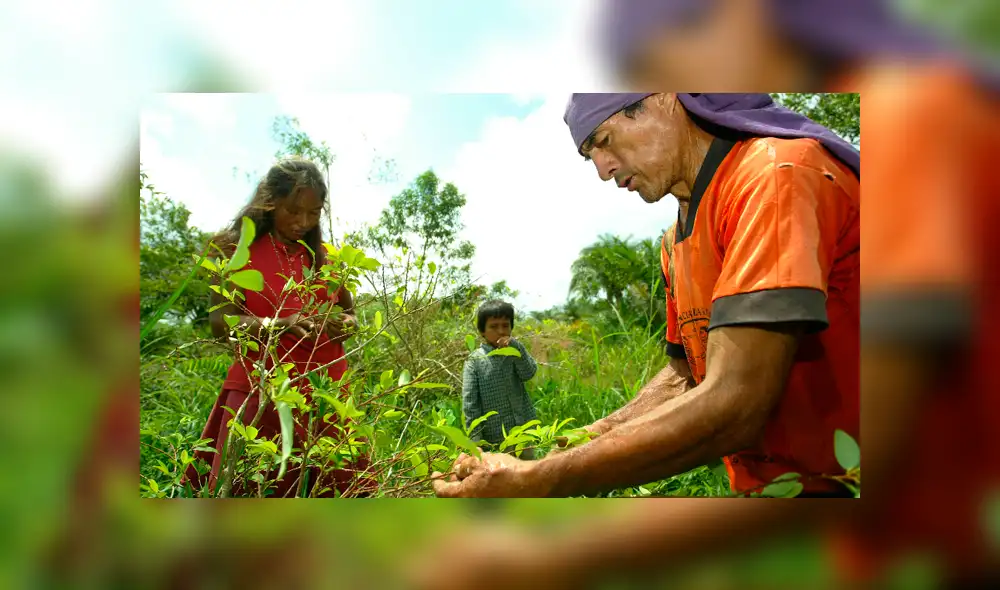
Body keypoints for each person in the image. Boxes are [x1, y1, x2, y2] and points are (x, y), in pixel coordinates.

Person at [433, 91, 859, 502]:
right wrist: (580, 442)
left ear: (663, 98)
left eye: (604, 141)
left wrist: (540, 479)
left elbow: (736, 402)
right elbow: (685, 375)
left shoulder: (775, 177)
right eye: (590, 156)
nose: (602, 171)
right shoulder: (674, 242)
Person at [183, 158, 373, 498]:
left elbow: (351, 315)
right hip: (262, 391)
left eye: (314, 213)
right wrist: (279, 325)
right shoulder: (235, 252)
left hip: (326, 395)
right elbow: (221, 324)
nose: (303, 222)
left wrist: (344, 326)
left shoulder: (328, 258)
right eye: (293, 211)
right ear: (270, 202)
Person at [463, 300, 539, 460]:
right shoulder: (474, 361)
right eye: (493, 326)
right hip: (495, 437)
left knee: (528, 469)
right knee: (502, 473)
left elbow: (529, 373)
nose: (501, 331)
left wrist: (517, 347)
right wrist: (476, 441)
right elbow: (470, 404)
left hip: (524, 430)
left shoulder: (514, 351)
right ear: (482, 331)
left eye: (505, 325)